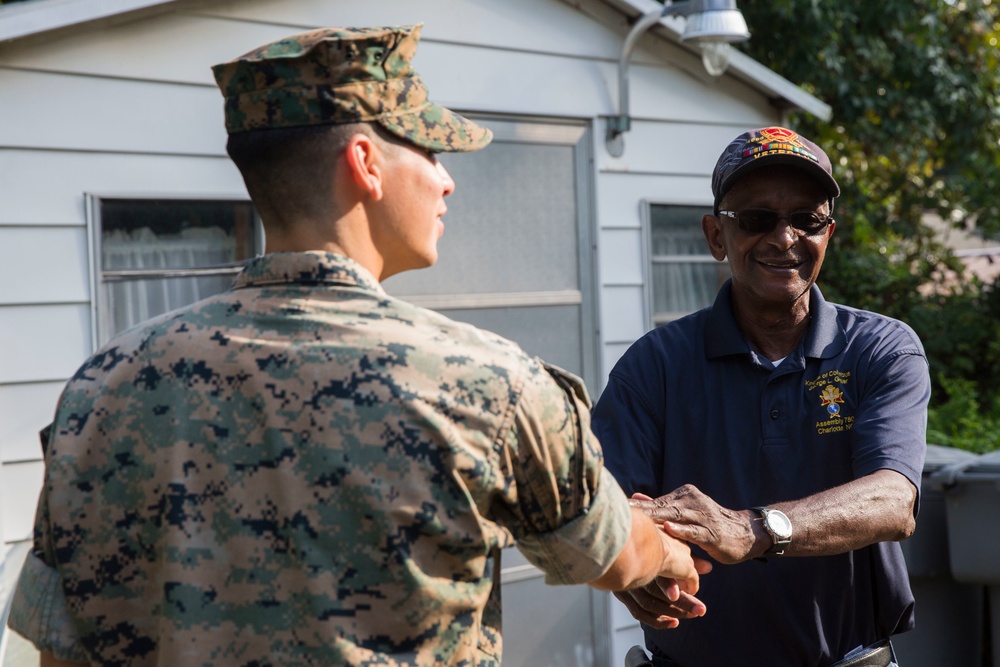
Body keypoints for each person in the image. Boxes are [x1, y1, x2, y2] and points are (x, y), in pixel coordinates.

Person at [6, 25, 707, 667]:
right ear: (366, 161)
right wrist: (673, 550)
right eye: (429, 147)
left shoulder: (103, 390)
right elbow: (613, 548)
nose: (446, 176)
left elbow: (63, 650)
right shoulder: (488, 385)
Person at [592, 126, 930, 667]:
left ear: (829, 234)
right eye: (757, 220)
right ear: (716, 236)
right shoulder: (654, 365)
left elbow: (893, 500)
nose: (785, 237)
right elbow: (606, 512)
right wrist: (635, 570)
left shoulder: (881, 349)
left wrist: (753, 529)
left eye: (807, 219)